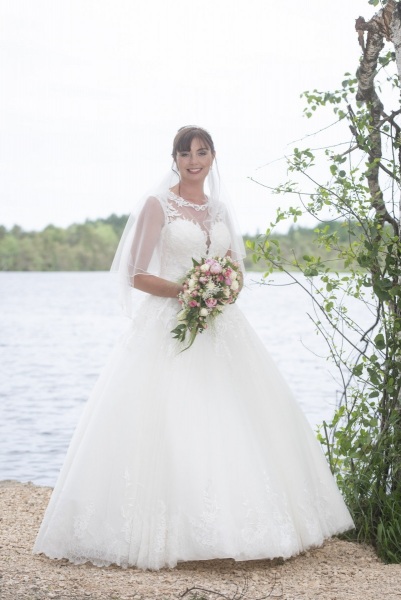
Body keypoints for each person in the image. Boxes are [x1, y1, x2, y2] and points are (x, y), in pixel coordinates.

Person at [33, 126, 354, 571]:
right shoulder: (157, 205)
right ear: (175, 159)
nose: (193, 160)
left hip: (223, 327)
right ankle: (163, 534)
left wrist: (222, 289)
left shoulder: (220, 209)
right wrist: (188, 292)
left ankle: (250, 528)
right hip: (169, 325)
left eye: (201, 152)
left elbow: (237, 272)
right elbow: (136, 274)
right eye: (185, 153)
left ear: (213, 157)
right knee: (170, 421)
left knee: (236, 420)